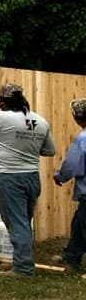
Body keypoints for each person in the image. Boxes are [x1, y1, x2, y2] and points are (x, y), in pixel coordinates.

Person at [0, 82, 56, 276]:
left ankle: (23, 269)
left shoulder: (0, 117)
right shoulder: (40, 121)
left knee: (17, 224)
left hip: (10, 178)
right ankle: (20, 262)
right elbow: (50, 150)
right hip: (32, 178)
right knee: (23, 222)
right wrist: (27, 146)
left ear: (2, 102)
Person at [52, 98, 86, 271]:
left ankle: (71, 257)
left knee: (83, 223)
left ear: (76, 118)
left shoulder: (83, 138)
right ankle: (71, 257)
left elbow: (72, 165)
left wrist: (60, 176)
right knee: (79, 223)